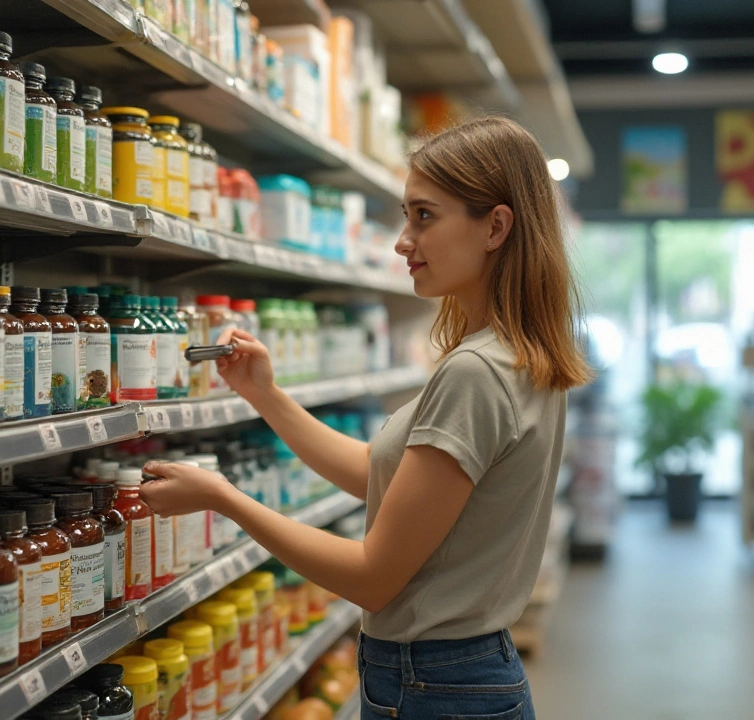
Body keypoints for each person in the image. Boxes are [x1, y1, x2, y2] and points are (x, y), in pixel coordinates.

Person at [139, 117, 591, 720]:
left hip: (435, 687)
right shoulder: (522, 352)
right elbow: (385, 478)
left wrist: (225, 498)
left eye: (424, 216)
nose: (403, 240)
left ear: (496, 226)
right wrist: (266, 395)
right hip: (467, 675)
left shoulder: (476, 373)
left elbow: (373, 577)